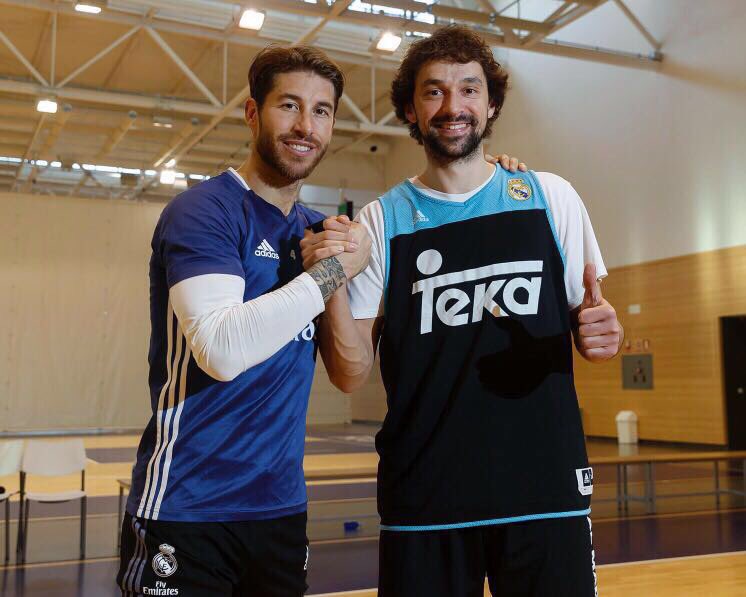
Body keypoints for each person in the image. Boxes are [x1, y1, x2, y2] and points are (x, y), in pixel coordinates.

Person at [302, 26, 623, 597]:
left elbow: (596, 329)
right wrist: (328, 279)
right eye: (434, 92)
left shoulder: (550, 197)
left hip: (544, 491)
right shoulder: (380, 223)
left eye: (469, 90)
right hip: (426, 498)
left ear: (491, 102)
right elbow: (350, 374)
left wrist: (606, 334)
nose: (454, 108)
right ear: (409, 108)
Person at [117, 45, 371, 597]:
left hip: (280, 510)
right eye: (289, 106)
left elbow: (351, 373)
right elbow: (221, 350)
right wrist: (331, 276)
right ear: (254, 113)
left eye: (322, 111)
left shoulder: (316, 234)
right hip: (188, 506)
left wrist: (332, 275)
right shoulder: (205, 210)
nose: (306, 126)